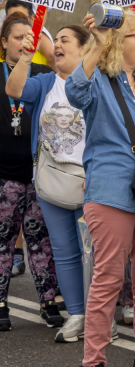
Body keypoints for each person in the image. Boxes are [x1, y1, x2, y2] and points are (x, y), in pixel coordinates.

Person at [67, 10, 135, 367]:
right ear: (118, 40)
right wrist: (97, 43)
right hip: (111, 190)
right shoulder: (97, 77)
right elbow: (74, 92)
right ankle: (94, 360)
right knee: (109, 279)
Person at [6, 24, 90, 341]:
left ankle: (100, 317)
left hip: (90, 182)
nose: (57, 45)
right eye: (56, 41)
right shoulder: (44, 83)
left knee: (94, 255)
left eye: (65, 40)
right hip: (51, 182)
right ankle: (77, 315)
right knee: (64, 251)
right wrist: (27, 56)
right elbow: (14, 89)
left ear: (84, 49)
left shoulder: (96, 83)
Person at [0, 14, 63, 332]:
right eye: (17, 37)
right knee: (2, 242)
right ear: (3, 42)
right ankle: (0, 303)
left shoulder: (42, 74)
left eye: (29, 36)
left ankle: (48, 301)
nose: (25, 41)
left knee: (42, 243)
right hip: (3, 176)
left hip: (38, 174)